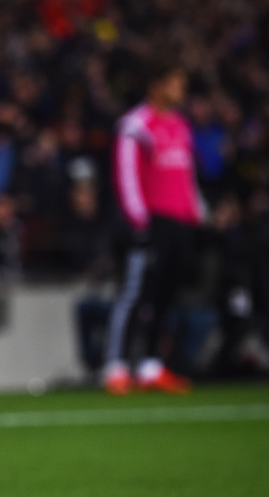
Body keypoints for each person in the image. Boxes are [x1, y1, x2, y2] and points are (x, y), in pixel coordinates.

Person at [103, 59, 205, 395]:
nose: (181, 90)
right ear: (156, 85)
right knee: (134, 294)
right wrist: (138, 221)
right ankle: (115, 367)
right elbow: (127, 176)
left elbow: (187, 178)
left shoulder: (180, 126)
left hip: (178, 222)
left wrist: (197, 216)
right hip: (149, 221)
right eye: (175, 83)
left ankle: (150, 366)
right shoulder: (135, 125)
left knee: (166, 296)